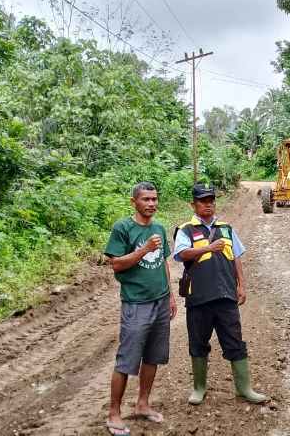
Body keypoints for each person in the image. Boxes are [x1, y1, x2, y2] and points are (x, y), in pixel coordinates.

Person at [174, 182, 268, 406]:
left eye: (211, 201)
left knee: (234, 341)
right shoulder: (186, 229)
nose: (208, 205)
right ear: (193, 204)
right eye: (203, 201)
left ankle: (244, 388)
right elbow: (180, 253)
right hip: (198, 297)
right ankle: (199, 388)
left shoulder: (226, 228)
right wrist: (207, 248)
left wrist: (241, 285)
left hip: (226, 296)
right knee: (198, 342)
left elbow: (236, 257)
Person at [104, 181, 177, 436]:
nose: (151, 204)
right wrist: (144, 249)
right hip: (136, 303)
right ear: (134, 201)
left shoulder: (158, 228)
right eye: (146, 199)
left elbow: (163, 263)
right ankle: (114, 413)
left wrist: (170, 295)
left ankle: (143, 403)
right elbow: (116, 264)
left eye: (154, 199)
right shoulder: (123, 228)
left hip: (160, 301)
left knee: (153, 356)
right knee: (126, 360)